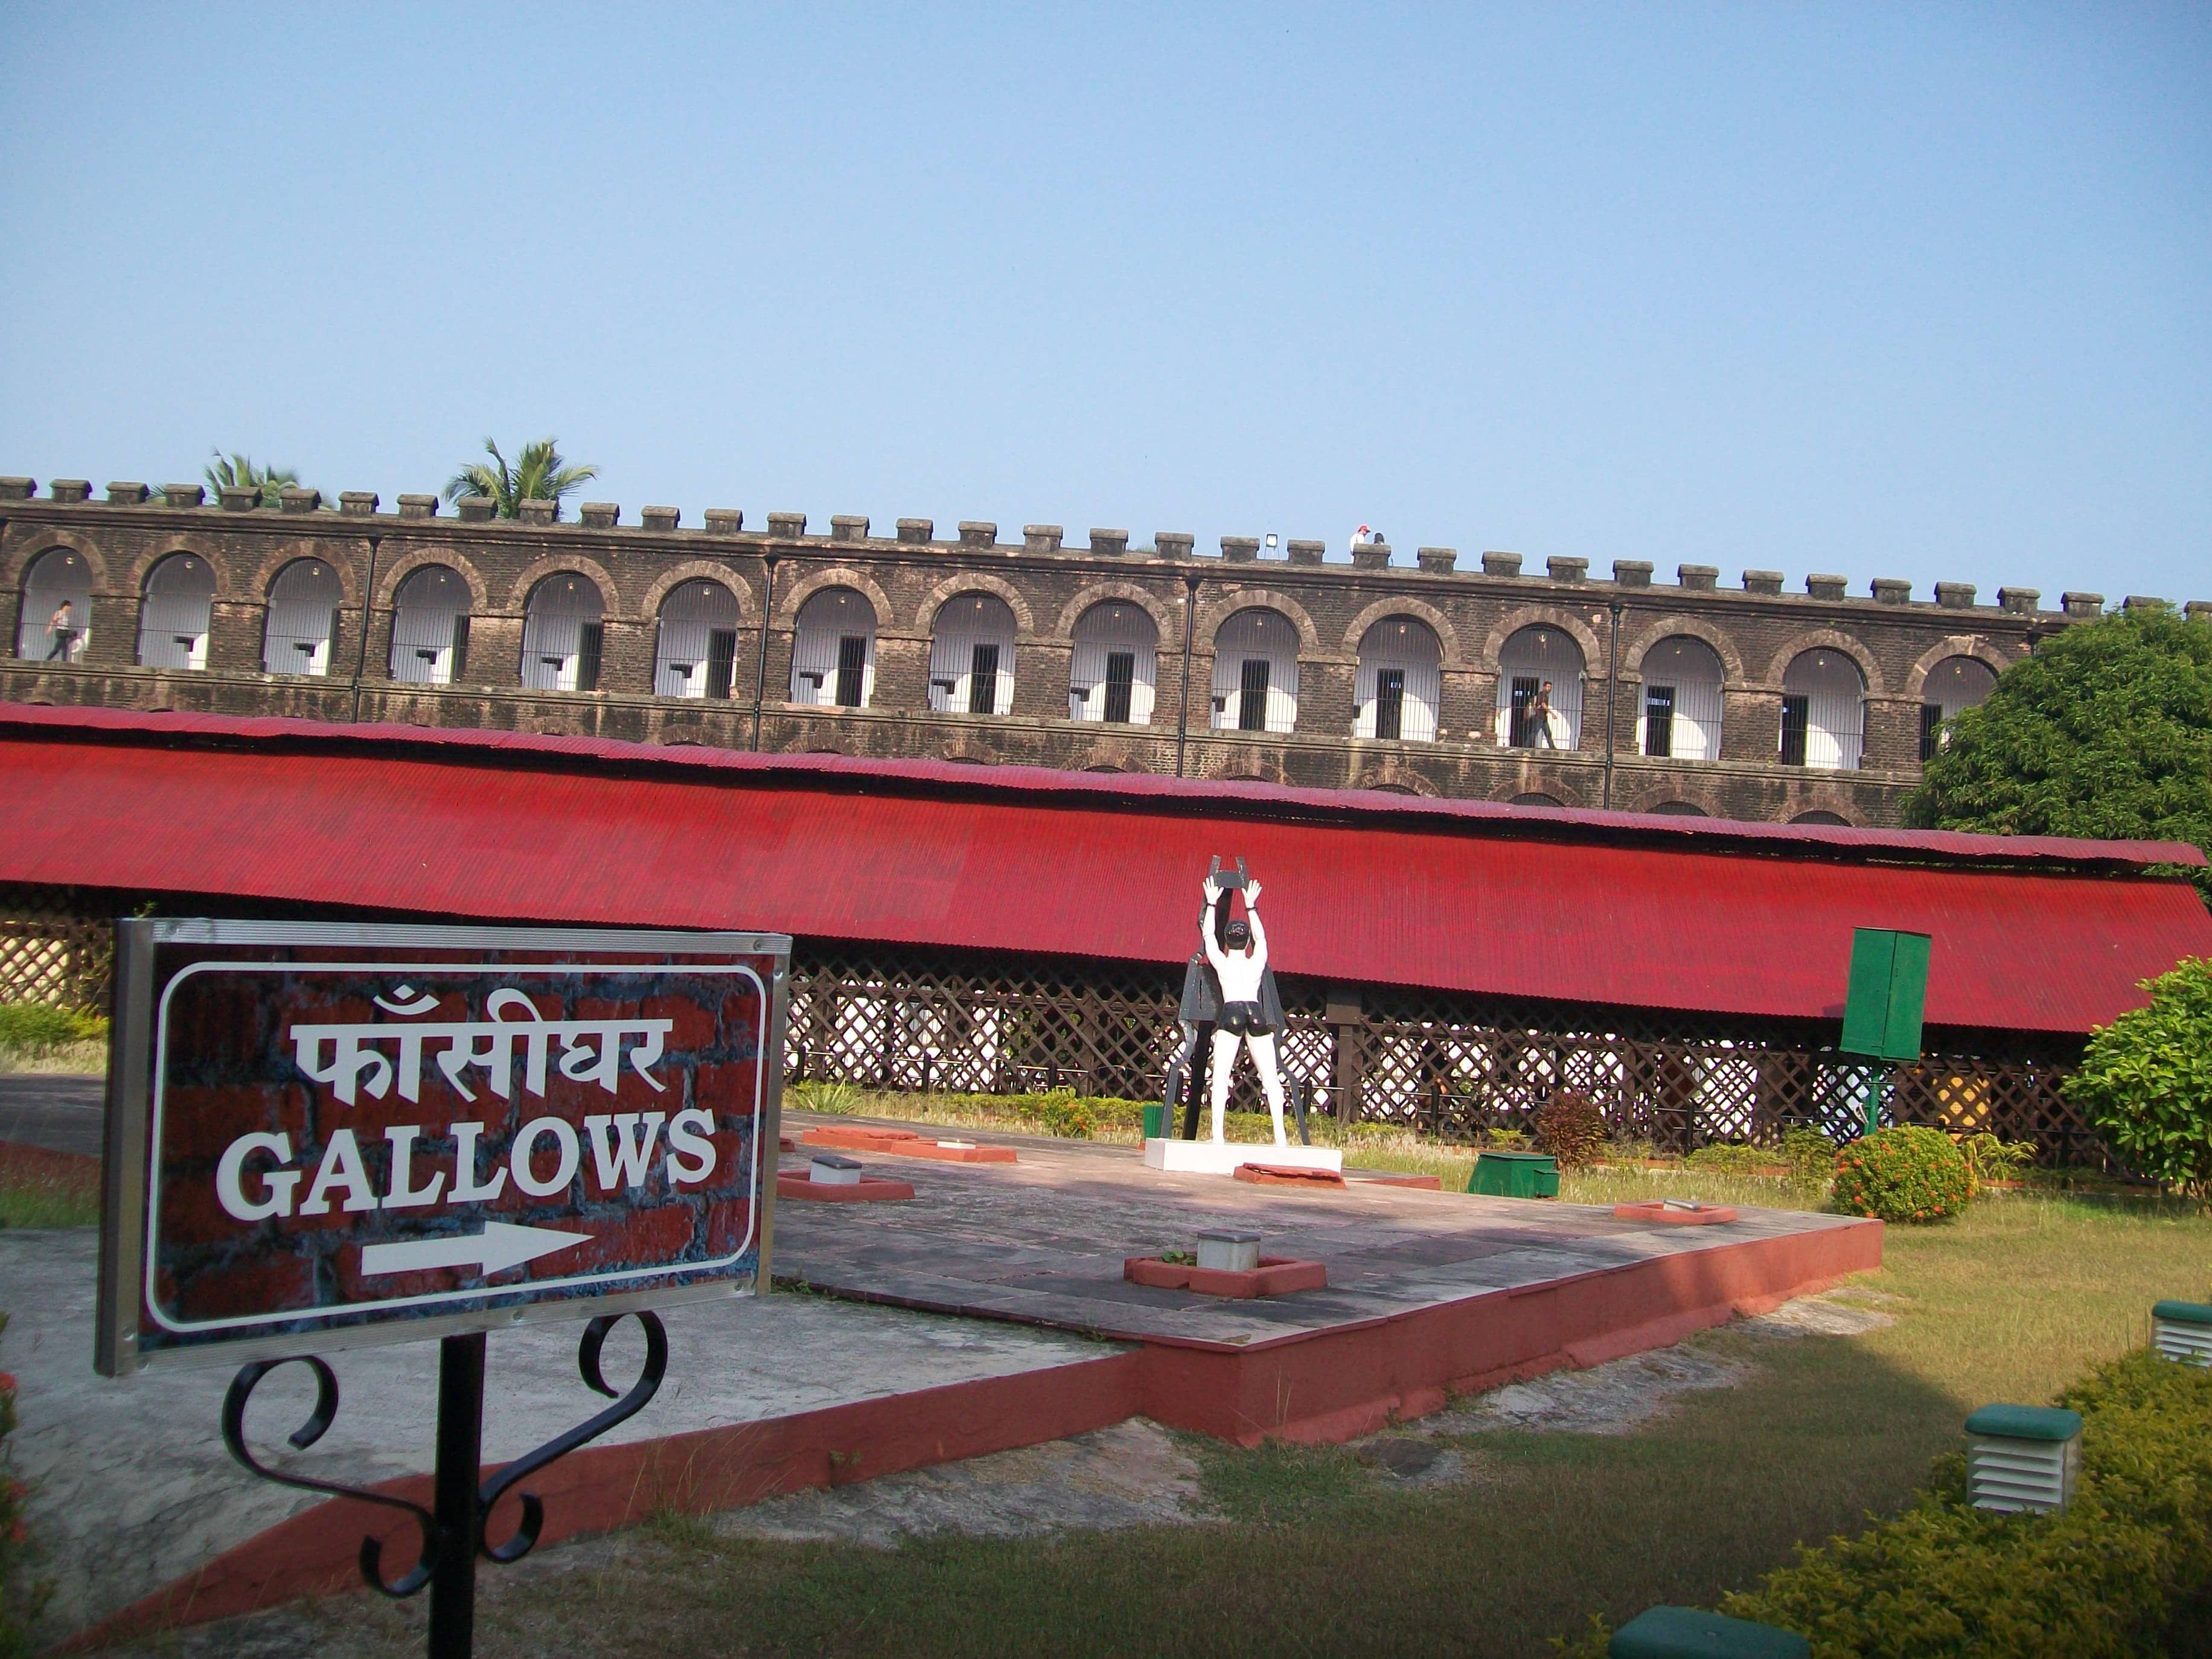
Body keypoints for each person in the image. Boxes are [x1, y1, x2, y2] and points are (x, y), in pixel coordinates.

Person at [1200, 872, 1291, 1148]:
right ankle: (1281, 1137)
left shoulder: (1223, 964)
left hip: (1232, 1012)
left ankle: (1218, 1137)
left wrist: (1212, 904)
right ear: (1247, 941)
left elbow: (1208, 936)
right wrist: (1251, 906)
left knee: (1220, 1075)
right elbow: (1262, 940)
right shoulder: (1256, 962)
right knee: (1270, 1076)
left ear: (1229, 941)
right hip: (1255, 1011)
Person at [45, 599, 77, 663]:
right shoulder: (59, 613)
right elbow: (54, 620)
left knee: (60, 648)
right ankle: (62, 661)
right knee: (72, 635)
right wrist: (51, 628)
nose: (70, 608)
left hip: (65, 630)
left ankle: (53, 660)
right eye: (69, 606)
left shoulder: (67, 615)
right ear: (65, 606)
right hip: (61, 631)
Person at [1529, 680, 1555, 748]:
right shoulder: (1542, 694)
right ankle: (1527, 746)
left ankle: (1552, 747)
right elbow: (1543, 705)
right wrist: (1551, 713)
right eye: (1548, 687)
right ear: (1544, 687)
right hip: (1539, 717)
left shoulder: (1545, 695)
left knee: (1548, 733)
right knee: (1534, 733)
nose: (1549, 689)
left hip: (1543, 718)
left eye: (1550, 687)